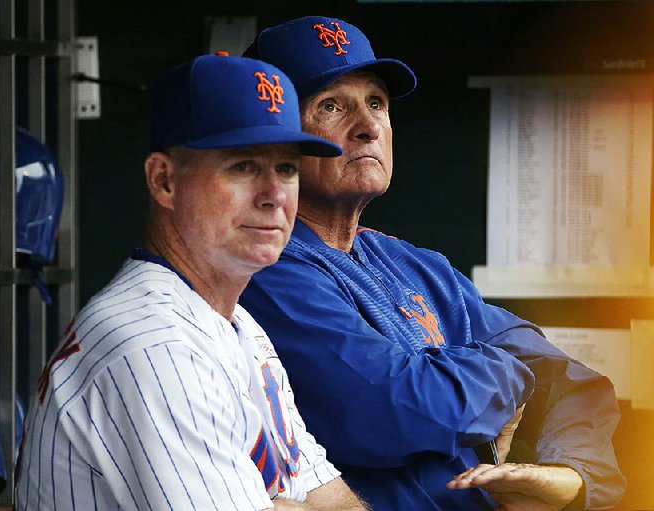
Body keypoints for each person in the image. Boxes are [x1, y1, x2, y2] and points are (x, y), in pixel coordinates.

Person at [239, 15, 626, 511]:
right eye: (331, 106)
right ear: (274, 140)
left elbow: (574, 381)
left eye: (376, 103)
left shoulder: (418, 265)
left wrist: (571, 477)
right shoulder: (265, 269)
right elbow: (389, 409)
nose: (368, 127)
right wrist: (511, 373)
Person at [14, 52, 369, 510]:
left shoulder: (236, 324)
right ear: (164, 181)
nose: (274, 195)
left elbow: (330, 498)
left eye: (286, 168)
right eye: (243, 166)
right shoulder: (154, 343)